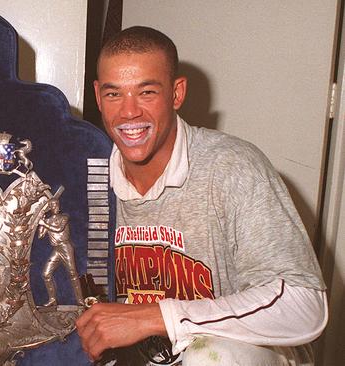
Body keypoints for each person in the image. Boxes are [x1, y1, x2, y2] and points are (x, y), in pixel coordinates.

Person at [76, 26, 327, 365]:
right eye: (113, 94)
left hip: (233, 357)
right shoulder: (83, 176)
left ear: (176, 93)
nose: (128, 113)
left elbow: (303, 304)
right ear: (97, 95)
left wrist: (158, 317)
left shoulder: (232, 166)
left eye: (146, 92)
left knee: (213, 356)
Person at [38, 199, 84, 307]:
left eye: (56, 205)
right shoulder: (48, 220)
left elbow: (59, 229)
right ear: (49, 207)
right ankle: (52, 299)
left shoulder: (64, 217)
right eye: (53, 205)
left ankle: (80, 300)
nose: (55, 207)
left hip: (65, 247)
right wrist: (42, 222)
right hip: (56, 249)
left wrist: (44, 223)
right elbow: (40, 236)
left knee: (73, 273)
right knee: (46, 274)